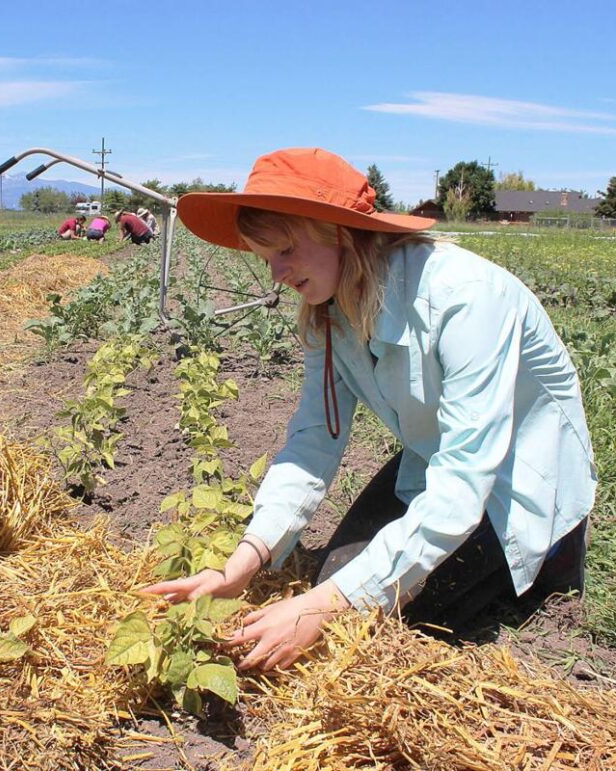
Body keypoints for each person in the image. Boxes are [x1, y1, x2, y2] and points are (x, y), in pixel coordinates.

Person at [145, 147, 595, 671]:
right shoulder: (329, 312)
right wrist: (244, 563)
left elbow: (467, 478)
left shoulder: (466, 299)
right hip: (438, 457)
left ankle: (557, 551)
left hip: (514, 477)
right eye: (266, 257)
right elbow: (314, 439)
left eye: (286, 249)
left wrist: (320, 607)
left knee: (374, 623)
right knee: (337, 581)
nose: (276, 274)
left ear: (338, 232)